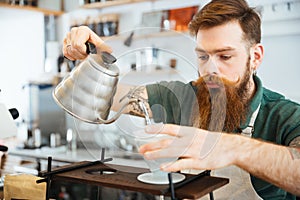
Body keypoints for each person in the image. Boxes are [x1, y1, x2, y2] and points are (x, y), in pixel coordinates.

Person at [63, 0, 300, 199]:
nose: (211, 69)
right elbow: (103, 96)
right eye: (202, 56)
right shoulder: (181, 98)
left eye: (225, 56)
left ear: (255, 57)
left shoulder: (285, 116)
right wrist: (95, 58)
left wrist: (231, 147)